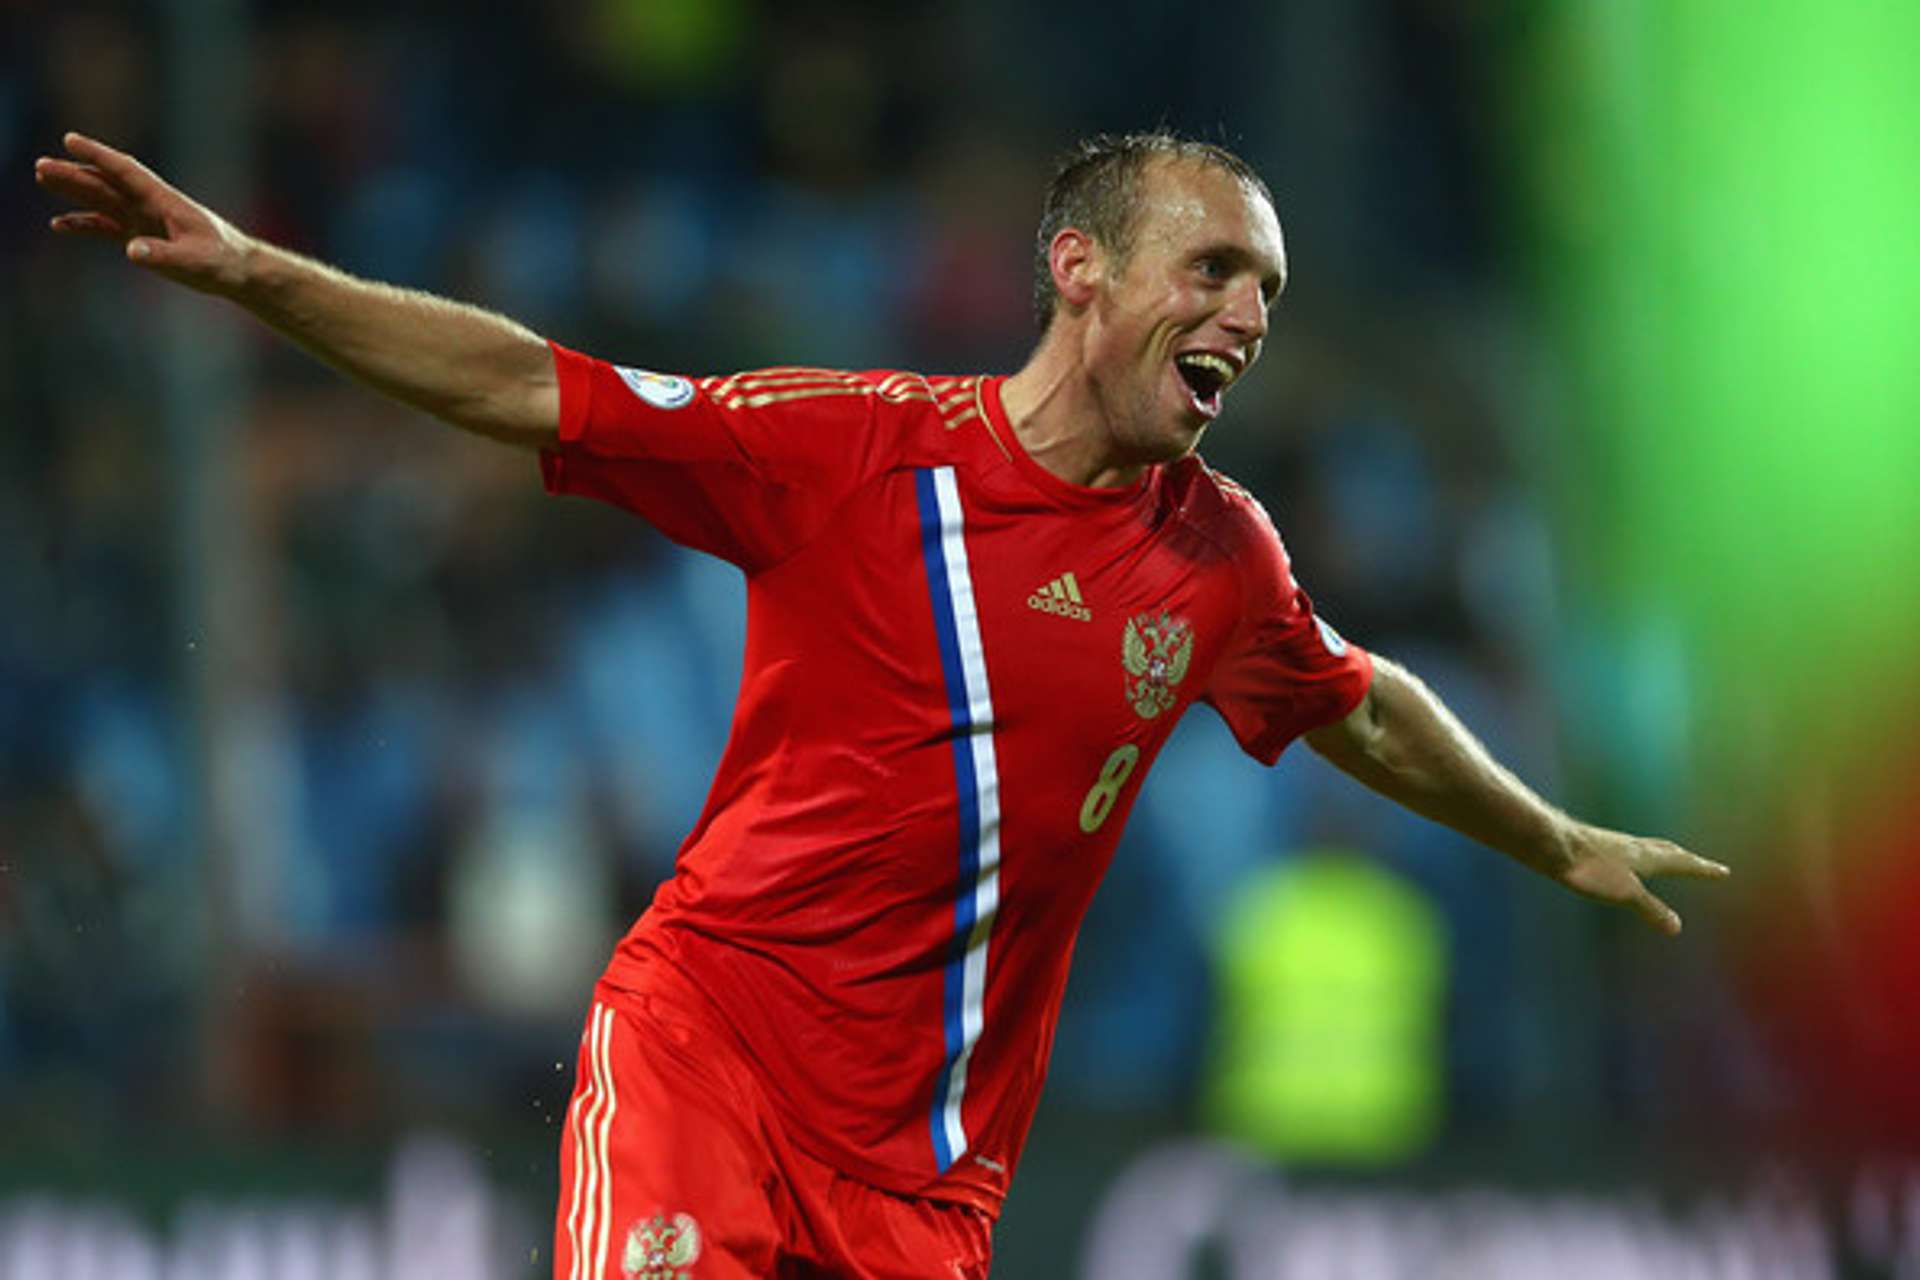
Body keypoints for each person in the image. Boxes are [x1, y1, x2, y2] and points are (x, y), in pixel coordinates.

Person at [37, 128, 1729, 1279]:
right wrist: (260, 275)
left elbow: (1358, 705)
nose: (1247, 315)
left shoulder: (1218, 559)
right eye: (1214, 268)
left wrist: (1550, 835)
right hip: (710, 1060)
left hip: (927, 1181)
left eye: (1268, 292)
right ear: (1078, 267)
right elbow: (529, 386)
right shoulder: (852, 451)